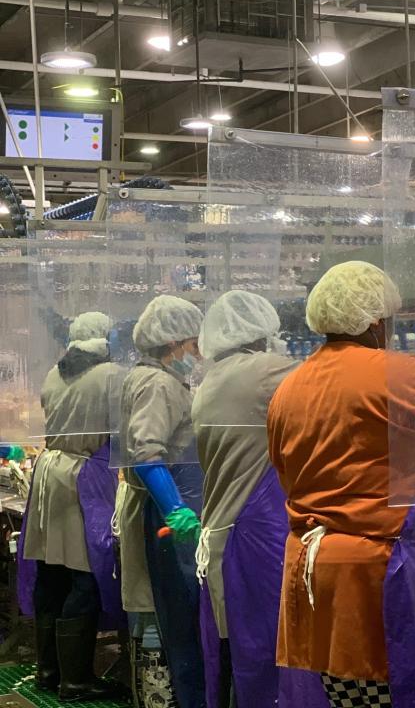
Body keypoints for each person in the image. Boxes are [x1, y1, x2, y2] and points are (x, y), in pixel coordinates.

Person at [267, 261, 415, 708]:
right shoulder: (396, 373)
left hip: (312, 570)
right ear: (377, 321)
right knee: (391, 695)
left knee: (347, 698)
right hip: (376, 573)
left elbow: (285, 470)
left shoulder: (290, 387)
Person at [191, 291, 299, 708]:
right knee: (266, 656)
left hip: (224, 531)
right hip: (254, 537)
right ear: (261, 333)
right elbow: (331, 383)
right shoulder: (262, 372)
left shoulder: (213, 379)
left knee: (235, 654)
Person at [20, 312, 125, 700]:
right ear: (105, 338)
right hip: (81, 476)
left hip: (49, 472)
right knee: (85, 573)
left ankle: (49, 671)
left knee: (52, 570)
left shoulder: (54, 372)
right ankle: (76, 681)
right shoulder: (112, 375)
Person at [115, 294, 206, 708]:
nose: (197, 352)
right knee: (170, 611)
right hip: (164, 509)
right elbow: (148, 453)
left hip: (159, 503)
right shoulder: (159, 384)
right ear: (173, 344)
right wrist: (176, 509)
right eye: (192, 344)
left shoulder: (145, 376)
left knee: (159, 608)